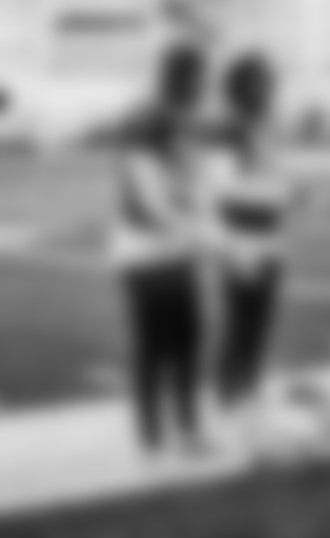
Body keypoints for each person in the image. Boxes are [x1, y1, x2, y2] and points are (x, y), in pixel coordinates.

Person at [110, 42, 211, 464]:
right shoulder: (149, 121)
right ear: (179, 78)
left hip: (173, 249)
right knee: (155, 344)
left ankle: (185, 430)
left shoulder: (179, 121)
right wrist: (199, 232)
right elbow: (150, 200)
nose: (203, 86)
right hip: (146, 251)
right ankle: (152, 436)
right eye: (198, 77)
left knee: (186, 340)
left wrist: (199, 220)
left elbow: (190, 185)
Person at [203, 52, 298, 455]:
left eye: (270, 80)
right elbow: (223, 191)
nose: (270, 88)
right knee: (241, 328)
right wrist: (277, 195)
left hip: (270, 236)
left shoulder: (266, 125)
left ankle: (248, 406)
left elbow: (269, 176)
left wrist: (286, 193)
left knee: (258, 328)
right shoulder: (226, 129)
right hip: (242, 238)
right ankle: (227, 411)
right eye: (262, 81)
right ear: (242, 87)